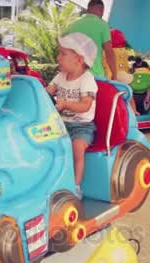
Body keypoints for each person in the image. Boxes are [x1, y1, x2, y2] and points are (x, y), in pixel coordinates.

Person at [46, 32, 98, 199]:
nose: (58, 57)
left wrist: (66, 104)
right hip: (61, 125)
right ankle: (50, 182)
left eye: (63, 54)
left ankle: (75, 186)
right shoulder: (60, 76)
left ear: (79, 59)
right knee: (45, 143)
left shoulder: (87, 79)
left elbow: (85, 105)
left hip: (81, 126)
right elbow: (47, 92)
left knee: (77, 147)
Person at [64, 0, 117, 81]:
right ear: (101, 10)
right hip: (93, 76)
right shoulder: (102, 25)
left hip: (72, 75)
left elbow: (60, 44)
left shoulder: (74, 24)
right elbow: (109, 51)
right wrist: (114, 74)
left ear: (88, 10)